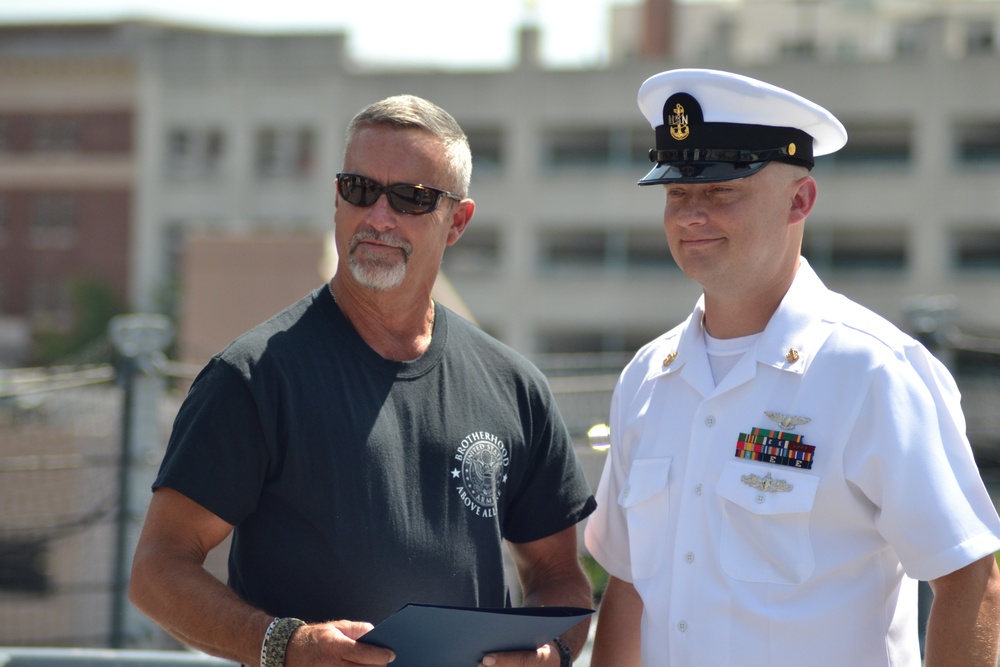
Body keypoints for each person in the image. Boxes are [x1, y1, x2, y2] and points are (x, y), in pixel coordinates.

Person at [129, 94, 596, 667]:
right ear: (336, 198)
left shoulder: (514, 386)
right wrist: (287, 646)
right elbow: (157, 571)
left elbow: (559, 576)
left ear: (458, 222)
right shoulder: (253, 378)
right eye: (359, 189)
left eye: (411, 198)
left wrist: (549, 654)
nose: (379, 216)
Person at [583, 68, 1000, 667]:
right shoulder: (648, 378)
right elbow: (627, 586)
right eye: (677, 192)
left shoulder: (872, 371)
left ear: (799, 200)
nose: (690, 215)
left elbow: (969, 580)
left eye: (722, 190)